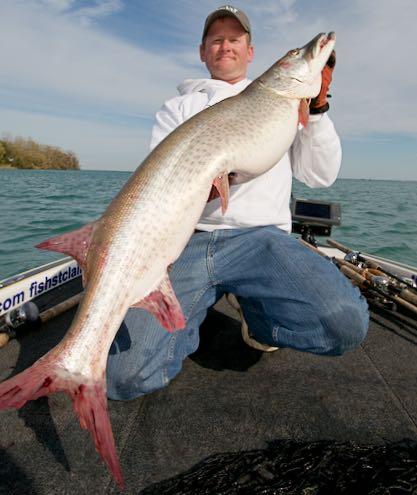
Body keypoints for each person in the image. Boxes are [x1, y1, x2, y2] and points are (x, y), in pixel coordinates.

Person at [106, 5, 369, 400]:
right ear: (202, 51)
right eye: (216, 39)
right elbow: (162, 183)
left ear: (250, 52)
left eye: (235, 39)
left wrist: (315, 111)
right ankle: (192, 318)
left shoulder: (284, 101)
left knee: (345, 324)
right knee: (123, 379)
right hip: (189, 241)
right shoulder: (178, 108)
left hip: (261, 238)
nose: (225, 45)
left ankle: (260, 323)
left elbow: (321, 175)